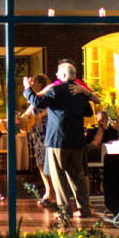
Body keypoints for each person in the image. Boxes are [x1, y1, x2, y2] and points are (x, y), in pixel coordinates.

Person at [24, 62, 95, 219]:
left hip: (57, 141)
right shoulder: (80, 92)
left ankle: (64, 211)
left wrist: (27, 89)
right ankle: (84, 209)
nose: (55, 75)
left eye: (57, 73)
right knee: (78, 177)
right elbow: (89, 112)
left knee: (59, 177)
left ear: (63, 75)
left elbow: (38, 103)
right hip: (77, 141)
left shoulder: (55, 91)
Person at [22, 73, 56, 209]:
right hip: (38, 133)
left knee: (49, 163)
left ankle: (52, 192)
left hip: (47, 132)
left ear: (40, 84)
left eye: (34, 82)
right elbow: (28, 112)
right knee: (40, 163)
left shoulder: (47, 95)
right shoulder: (34, 98)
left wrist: (41, 115)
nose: (32, 84)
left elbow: (49, 111)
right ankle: (48, 190)